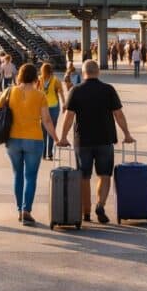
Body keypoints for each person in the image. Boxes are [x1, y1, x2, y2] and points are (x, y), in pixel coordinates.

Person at [57, 60, 135, 224]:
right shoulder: (108, 90)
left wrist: (63, 137)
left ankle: (86, 212)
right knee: (104, 175)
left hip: (83, 140)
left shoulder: (75, 90)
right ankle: (100, 204)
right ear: (98, 72)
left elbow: (69, 116)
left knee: (84, 176)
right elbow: (118, 114)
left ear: (83, 72)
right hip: (105, 139)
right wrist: (126, 134)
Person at [0, 63, 58, 225]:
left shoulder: (9, 91)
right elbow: (46, 120)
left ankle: (19, 209)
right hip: (34, 139)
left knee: (17, 174)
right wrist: (56, 138)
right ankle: (26, 211)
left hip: (12, 139)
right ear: (35, 77)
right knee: (30, 176)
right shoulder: (40, 96)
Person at [39, 62, 66, 160]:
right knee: (51, 130)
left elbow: (35, 93)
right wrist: (64, 103)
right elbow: (61, 93)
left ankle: (44, 153)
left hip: (43, 108)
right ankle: (49, 154)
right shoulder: (54, 80)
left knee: (44, 131)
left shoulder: (40, 80)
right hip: (54, 106)